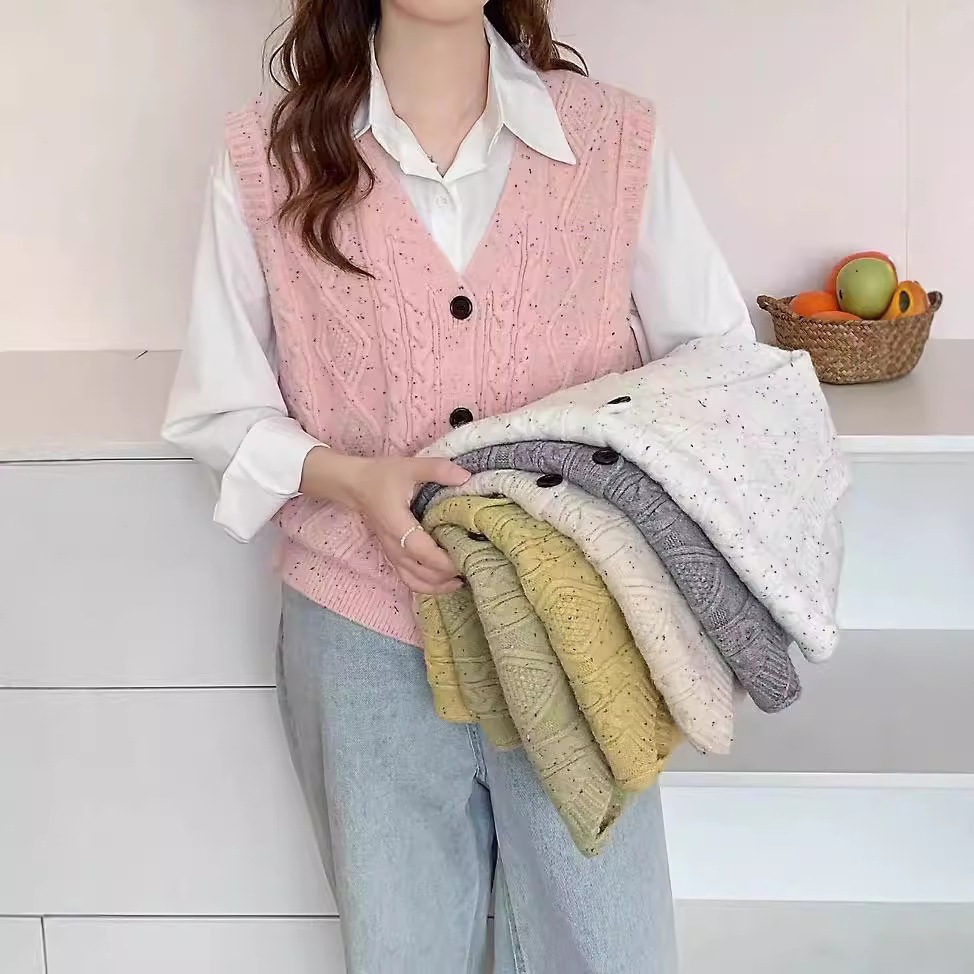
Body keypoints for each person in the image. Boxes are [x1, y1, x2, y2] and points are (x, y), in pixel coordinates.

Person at [163, 1, 755, 970]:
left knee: (610, 949)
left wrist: (588, 519)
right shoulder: (268, 158)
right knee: (401, 952)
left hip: (575, 633)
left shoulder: (612, 141)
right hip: (361, 637)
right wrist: (353, 481)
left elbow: (716, 371)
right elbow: (217, 411)